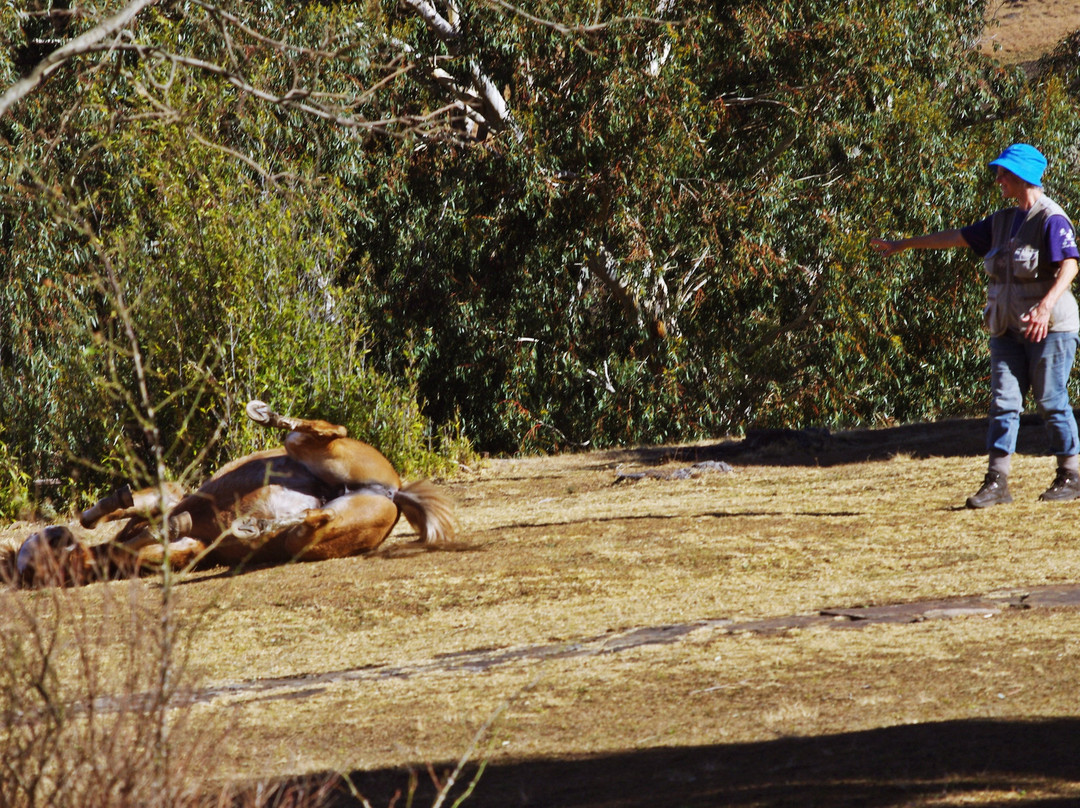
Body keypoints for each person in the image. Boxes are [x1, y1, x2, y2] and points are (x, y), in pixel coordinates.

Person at [872, 143, 1080, 508]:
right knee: (1003, 402)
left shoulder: (1051, 218)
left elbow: (1071, 265)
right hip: (1005, 328)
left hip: (1052, 329)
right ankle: (997, 482)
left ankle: (1071, 475)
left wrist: (1045, 307)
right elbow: (954, 236)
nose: (998, 179)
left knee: (1051, 401)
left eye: (1003, 173)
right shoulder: (1001, 221)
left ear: (1022, 177)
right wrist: (902, 245)